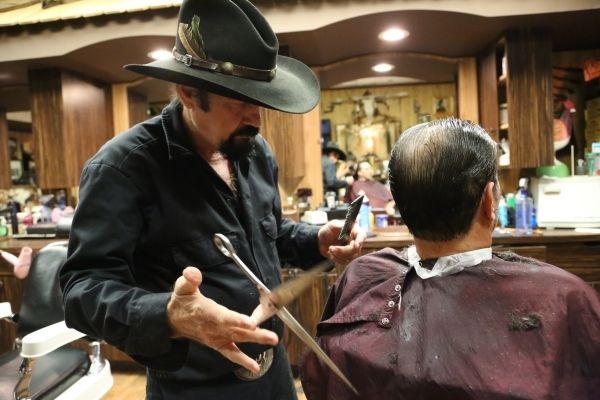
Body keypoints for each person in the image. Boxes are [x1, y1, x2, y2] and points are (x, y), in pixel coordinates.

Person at [59, 1, 365, 399]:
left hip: (274, 378)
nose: (256, 119)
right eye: (239, 102)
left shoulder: (254, 153)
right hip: (192, 389)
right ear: (188, 91)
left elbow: (267, 237)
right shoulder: (123, 169)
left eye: (261, 102)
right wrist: (170, 315)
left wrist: (315, 240)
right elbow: (82, 291)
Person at [301, 118, 600, 399]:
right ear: (489, 201)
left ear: (400, 205)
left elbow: (319, 376)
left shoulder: (361, 274)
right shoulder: (567, 298)